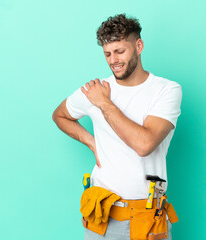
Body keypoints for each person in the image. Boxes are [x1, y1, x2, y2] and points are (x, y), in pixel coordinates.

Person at [52, 13, 182, 240]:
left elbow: (144, 144)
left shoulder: (166, 90)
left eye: (120, 51)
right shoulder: (95, 90)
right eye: (107, 54)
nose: (113, 60)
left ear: (138, 46)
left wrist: (104, 103)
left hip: (147, 218)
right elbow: (60, 115)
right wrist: (92, 142)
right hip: (101, 216)